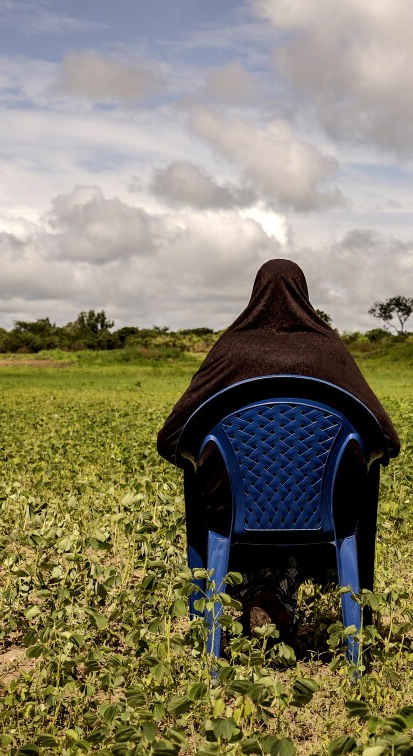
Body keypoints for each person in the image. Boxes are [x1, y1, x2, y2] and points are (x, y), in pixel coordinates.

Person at [156, 258, 400, 646]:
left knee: (210, 479)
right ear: (304, 297)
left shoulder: (231, 350)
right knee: (359, 477)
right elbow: (387, 440)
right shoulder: (329, 351)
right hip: (323, 515)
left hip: (236, 514)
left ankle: (230, 599)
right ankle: (341, 604)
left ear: (254, 298)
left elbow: (170, 439)